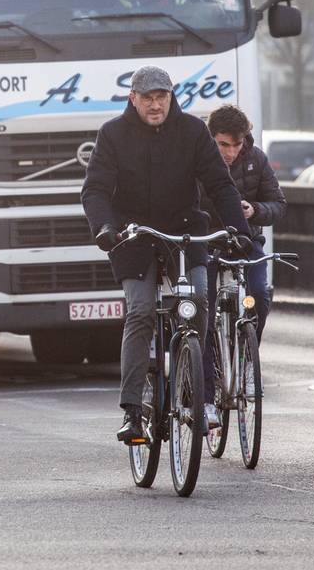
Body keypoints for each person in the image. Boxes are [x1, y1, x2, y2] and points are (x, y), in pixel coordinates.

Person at [81, 66, 250, 443]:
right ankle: (132, 410)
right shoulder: (113, 134)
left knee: (200, 298)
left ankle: (194, 386)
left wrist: (239, 230)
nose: (156, 105)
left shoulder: (192, 131)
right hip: (133, 234)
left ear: (171, 98)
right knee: (140, 311)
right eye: (148, 98)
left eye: (162, 97)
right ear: (133, 99)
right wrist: (105, 228)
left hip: (184, 231)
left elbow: (220, 185)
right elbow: (95, 190)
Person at [205, 104, 286, 342]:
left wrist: (255, 210)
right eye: (223, 145)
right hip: (207, 241)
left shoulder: (256, 159)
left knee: (259, 295)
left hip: (247, 241)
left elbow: (279, 204)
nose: (230, 153)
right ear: (211, 138)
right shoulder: (198, 159)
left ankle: (248, 352)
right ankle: (207, 360)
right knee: (203, 304)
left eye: (237, 145)